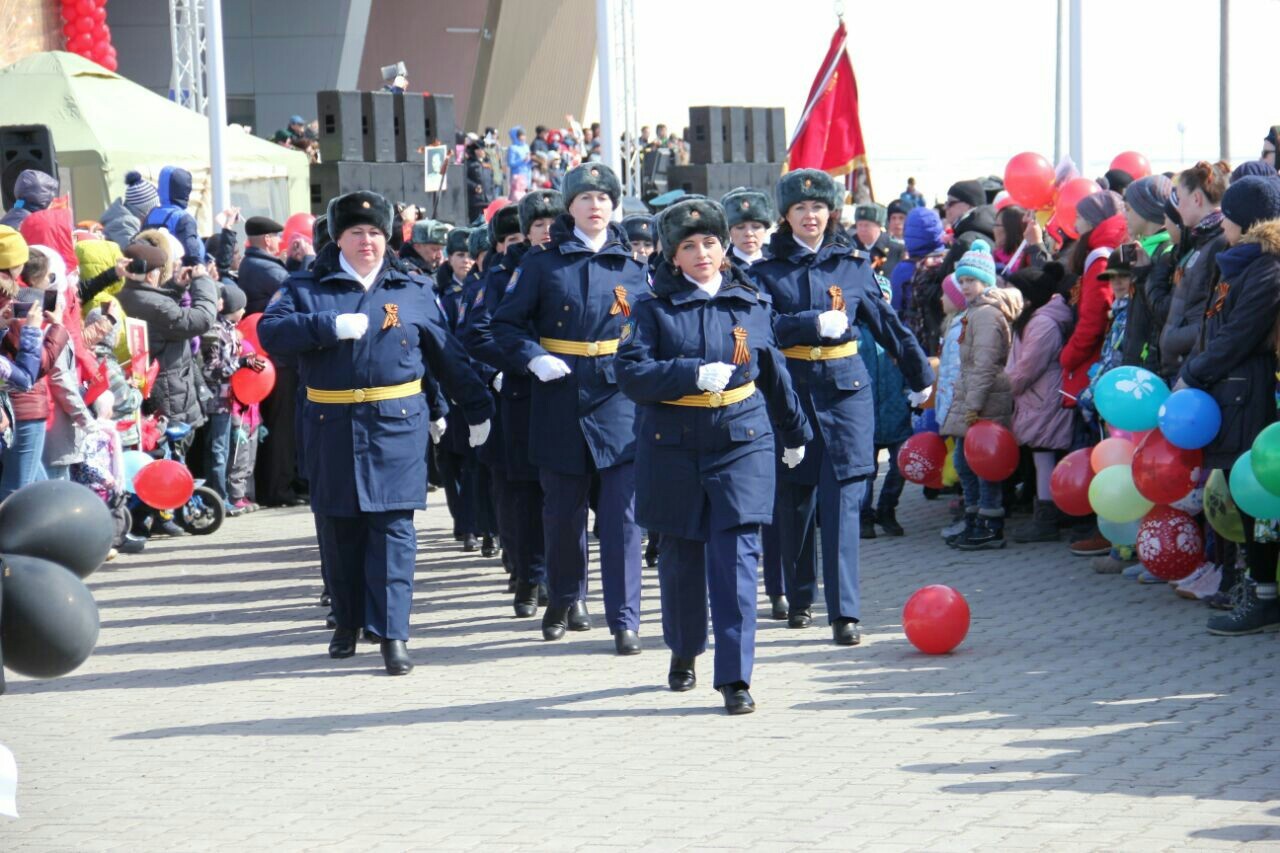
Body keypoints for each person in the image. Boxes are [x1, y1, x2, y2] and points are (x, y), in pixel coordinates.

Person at [259, 191, 494, 675]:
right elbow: (272, 333)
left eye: (375, 233)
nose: (366, 241)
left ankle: (393, 633)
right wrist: (327, 326)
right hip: (331, 425)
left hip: (396, 425)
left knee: (394, 532)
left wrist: (475, 408)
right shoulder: (307, 286)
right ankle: (347, 622)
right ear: (338, 238)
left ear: (388, 238)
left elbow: (445, 354)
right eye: (355, 233)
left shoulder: (411, 287)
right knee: (340, 529)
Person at [616, 198, 810, 715]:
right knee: (681, 558)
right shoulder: (651, 308)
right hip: (672, 443)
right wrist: (686, 374)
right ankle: (684, 648)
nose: (701, 253)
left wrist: (795, 433)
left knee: (737, 559)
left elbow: (773, 372)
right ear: (671, 255)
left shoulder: (750, 302)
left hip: (742, 441)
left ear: (724, 248)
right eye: (688, 245)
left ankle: (736, 675)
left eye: (709, 243)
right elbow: (631, 374)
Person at [752, 169, 933, 645]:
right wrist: (812, 323)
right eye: (799, 209)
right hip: (791, 395)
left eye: (817, 208)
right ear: (785, 216)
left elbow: (887, 323)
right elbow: (762, 328)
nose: (810, 216)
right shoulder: (765, 271)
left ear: (830, 211)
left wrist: (919, 377)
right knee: (795, 502)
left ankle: (845, 612)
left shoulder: (853, 264)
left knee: (844, 505)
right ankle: (799, 595)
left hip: (847, 395)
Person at [491, 163, 647, 654]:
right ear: (570, 206)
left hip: (618, 398)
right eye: (585, 198)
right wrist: (532, 357)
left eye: (604, 197)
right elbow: (504, 326)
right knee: (563, 511)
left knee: (623, 515)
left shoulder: (635, 266)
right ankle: (564, 597)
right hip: (559, 395)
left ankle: (624, 618)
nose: (595, 205)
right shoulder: (542, 263)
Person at [1177, 176, 1280, 634]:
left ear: (1246, 221)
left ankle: (1263, 595)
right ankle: (1256, 587)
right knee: (1247, 499)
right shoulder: (1243, 264)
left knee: (1259, 500)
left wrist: (1193, 372)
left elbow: (1240, 334)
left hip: (1252, 398)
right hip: (1234, 396)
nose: (1224, 228)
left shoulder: (1268, 268)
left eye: (1231, 220)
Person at [464, 193, 562, 616]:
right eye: (535, 225)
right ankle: (529, 576)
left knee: (564, 494)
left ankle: (562, 583)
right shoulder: (503, 274)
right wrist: (517, 365)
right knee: (522, 492)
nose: (544, 231)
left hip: (568, 391)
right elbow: (479, 333)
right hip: (521, 392)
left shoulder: (571, 264)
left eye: (550, 223)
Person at [940, 240, 1023, 550]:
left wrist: (973, 405)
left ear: (986, 281)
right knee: (965, 462)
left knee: (983, 463)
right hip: (974, 397)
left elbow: (985, 364)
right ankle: (975, 517)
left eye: (971, 280)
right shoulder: (974, 312)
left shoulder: (986, 314)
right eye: (962, 281)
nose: (966, 286)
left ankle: (988, 523)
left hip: (985, 400)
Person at [113, 242, 218, 432]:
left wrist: (175, 287)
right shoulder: (156, 305)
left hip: (148, 390)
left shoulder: (122, 296)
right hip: (169, 398)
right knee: (173, 456)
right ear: (152, 275)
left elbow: (158, 308)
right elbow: (201, 320)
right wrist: (203, 281)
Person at [1004, 264, 1075, 544]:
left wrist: (1008, 386)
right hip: (1036, 397)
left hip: (1043, 397)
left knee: (1044, 454)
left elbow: (1028, 367)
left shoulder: (1043, 323)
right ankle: (1048, 511)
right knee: (1041, 455)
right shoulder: (1036, 319)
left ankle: (1047, 518)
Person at [1161, 161, 1231, 380]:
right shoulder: (1201, 240)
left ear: (1197, 199)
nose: (1177, 207)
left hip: (1191, 367)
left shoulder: (1219, 243)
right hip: (1182, 363)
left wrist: (1174, 340)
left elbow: (1215, 316)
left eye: (1180, 200)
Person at [1121, 175, 1175, 374]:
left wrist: (1144, 276)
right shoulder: (1145, 248)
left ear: (1146, 210)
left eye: (1128, 209)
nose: (1124, 216)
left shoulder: (1167, 251)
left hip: (1152, 367)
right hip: (1136, 360)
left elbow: (1163, 312)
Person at [895, 206, 947, 351]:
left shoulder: (903, 270)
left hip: (914, 339)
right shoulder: (947, 263)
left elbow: (896, 309)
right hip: (944, 338)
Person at [143, 166, 206, 266]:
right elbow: (192, 253)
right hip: (179, 274)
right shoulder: (183, 218)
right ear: (185, 190)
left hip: (154, 271)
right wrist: (203, 272)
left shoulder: (152, 214)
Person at [101, 170, 160, 250]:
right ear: (146, 210)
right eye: (154, 208)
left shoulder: (122, 216)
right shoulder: (128, 222)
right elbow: (133, 251)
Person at [507, 127, 532, 200]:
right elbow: (511, 163)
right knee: (517, 198)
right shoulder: (513, 148)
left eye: (524, 135)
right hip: (517, 176)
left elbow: (528, 160)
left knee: (526, 196)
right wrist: (522, 160)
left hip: (527, 174)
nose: (523, 137)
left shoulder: (526, 146)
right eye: (521, 135)